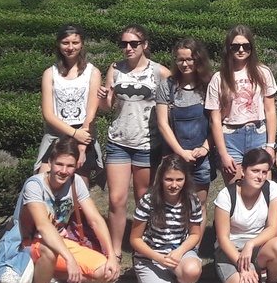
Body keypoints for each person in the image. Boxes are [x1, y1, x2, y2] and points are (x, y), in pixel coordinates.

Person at [19, 137, 120, 283]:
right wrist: (69, 259)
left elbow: (96, 220)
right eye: (59, 164)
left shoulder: (75, 182)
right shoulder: (34, 185)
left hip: (59, 241)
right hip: (30, 243)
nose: (64, 171)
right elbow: (43, 227)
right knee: (47, 252)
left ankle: (49, 276)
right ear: (50, 162)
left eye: (70, 166)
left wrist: (112, 255)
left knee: (106, 273)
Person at [100, 24, 169, 266]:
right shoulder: (115, 69)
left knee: (143, 199)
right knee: (116, 199)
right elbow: (106, 107)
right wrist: (103, 99)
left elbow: (176, 95)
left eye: (133, 43)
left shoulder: (159, 71)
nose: (128, 48)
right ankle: (116, 250)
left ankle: (143, 246)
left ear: (145, 45)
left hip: (146, 143)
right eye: (124, 44)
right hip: (119, 140)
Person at [213, 147, 277, 283]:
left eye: (264, 172)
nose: (260, 176)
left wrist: (251, 244)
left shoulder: (272, 189)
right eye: (255, 171)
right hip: (230, 251)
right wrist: (243, 266)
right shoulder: (226, 196)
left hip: (256, 248)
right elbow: (223, 239)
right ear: (243, 171)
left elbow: (273, 228)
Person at [129, 154, 204, 283]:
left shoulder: (192, 200)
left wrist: (180, 251)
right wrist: (158, 258)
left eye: (179, 180)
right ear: (161, 179)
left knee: (192, 271)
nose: (174, 185)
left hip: (177, 252)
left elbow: (195, 234)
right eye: (169, 179)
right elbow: (135, 239)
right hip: (151, 257)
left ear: (185, 179)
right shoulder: (148, 200)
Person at [207, 25, 277, 186]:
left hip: (258, 134)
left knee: (263, 189)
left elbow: (270, 110)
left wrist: (270, 145)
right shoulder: (219, 78)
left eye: (246, 46)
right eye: (235, 46)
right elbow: (215, 119)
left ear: (252, 48)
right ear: (228, 48)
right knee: (236, 190)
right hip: (231, 137)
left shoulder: (263, 72)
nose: (241, 50)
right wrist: (223, 154)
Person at [36, 25, 102, 182]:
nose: (70, 47)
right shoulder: (49, 73)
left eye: (75, 42)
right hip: (56, 135)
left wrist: (82, 144)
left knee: (78, 188)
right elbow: (48, 114)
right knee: (43, 183)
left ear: (82, 44)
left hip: (84, 134)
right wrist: (74, 134)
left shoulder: (93, 72)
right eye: (66, 43)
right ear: (59, 44)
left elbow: (91, 113)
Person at [155, 37, 214, 208]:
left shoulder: (209, 85)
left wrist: (205, 148)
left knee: (199, 204)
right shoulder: (167, 86)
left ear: (198, 59)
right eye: (180, 59)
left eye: (189, 59)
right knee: (173, 203)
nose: (185, 64)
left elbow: (218, 122)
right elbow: (162, 124)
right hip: (174, 156)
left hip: (201, 156)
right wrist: (180, 152)